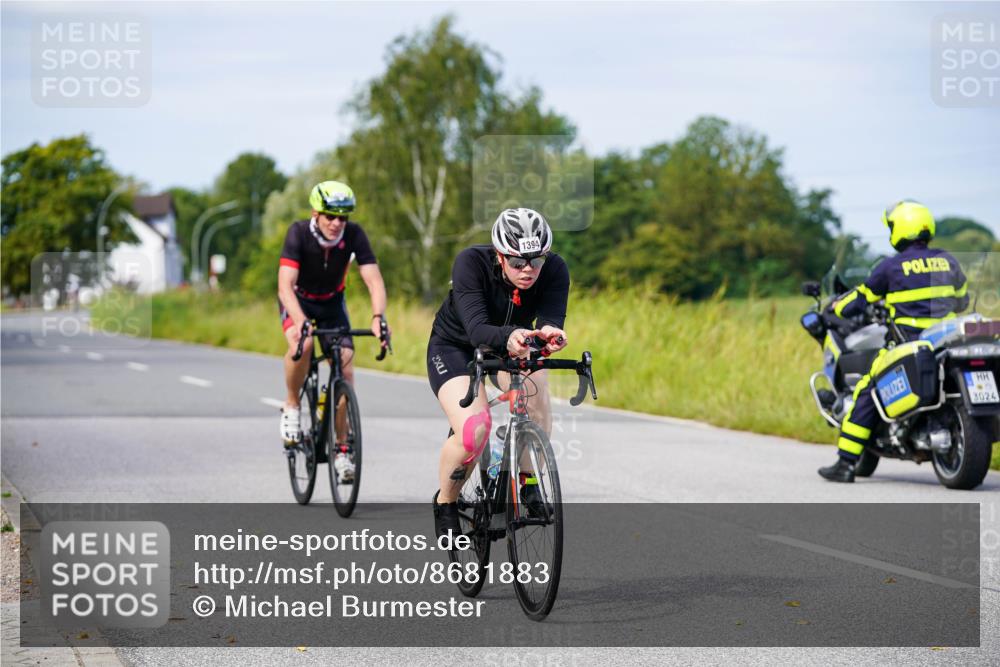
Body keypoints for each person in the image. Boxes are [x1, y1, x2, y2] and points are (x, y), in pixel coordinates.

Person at [426, 208, 570, 538]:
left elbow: (549, 319)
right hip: (457, 347)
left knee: (536, 393)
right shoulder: (470, 263)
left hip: (512, 343)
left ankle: (527, 478)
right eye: (518, 262)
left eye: (536, 260)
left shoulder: (555, 270)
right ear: (500, 255)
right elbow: (477, 330)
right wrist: (510, 337)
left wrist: (551, 334)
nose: (528, 270)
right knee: (475, 430)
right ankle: (446, 501)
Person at [819, 200, 968, 483]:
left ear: (899, 229)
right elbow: (962, 300)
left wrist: (836, 307)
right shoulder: (949, 260)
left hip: (908, 345)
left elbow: (860, 298)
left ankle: (846, 464)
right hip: (946, 342)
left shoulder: (891, 267)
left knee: (867, 390)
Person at [278, 180, 389, 484]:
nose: (337, 223)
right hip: (297, 300)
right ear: (316, 213)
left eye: (343, 217)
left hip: (331, 305)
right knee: (301, 344)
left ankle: (342, 449)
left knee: (346, 364)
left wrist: (378, 316)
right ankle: (291, 404)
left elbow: (374, 281)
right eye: (330, 216)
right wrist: (300, 320)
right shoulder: (298, 233)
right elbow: (285, 285)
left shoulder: (354, 235)